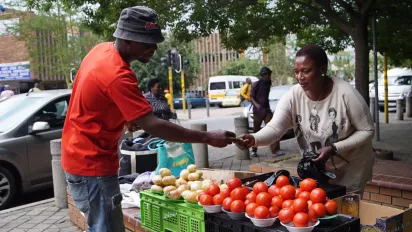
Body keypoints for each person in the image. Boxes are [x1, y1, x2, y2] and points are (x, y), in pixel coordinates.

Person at [61, 6, 236, 232]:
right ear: (127, 40)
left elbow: (96, 99)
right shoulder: (117, 74)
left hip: (78, 156)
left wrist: (124, 116)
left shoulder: (101, 51)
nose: (154, 48)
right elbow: (153, 125)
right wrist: (208, 136)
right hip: (91, 165)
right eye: (147, 42)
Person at [237, 44, 375, 194]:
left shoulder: (346, 94)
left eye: (306, 71)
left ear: (322, 69)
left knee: (346, 212)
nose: (300, 77)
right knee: (318, 210)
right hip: (317, 170)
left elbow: (367, 130)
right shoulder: (293, 96)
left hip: (351, 169)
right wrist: (253, 138)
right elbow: (275, 128)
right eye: (296, 72)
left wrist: (335, 148)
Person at [250, 67, 274, 157]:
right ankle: (254, 150)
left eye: (270, 75)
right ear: (264, 75)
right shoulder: (256, 84)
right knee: (256, 130)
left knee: (272, 128)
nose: (270, 77)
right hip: (258, 111)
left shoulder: (268, 83)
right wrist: (257, 105)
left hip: (267, 110)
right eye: (268, 75)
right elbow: (251, 97)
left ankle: (275, 150)